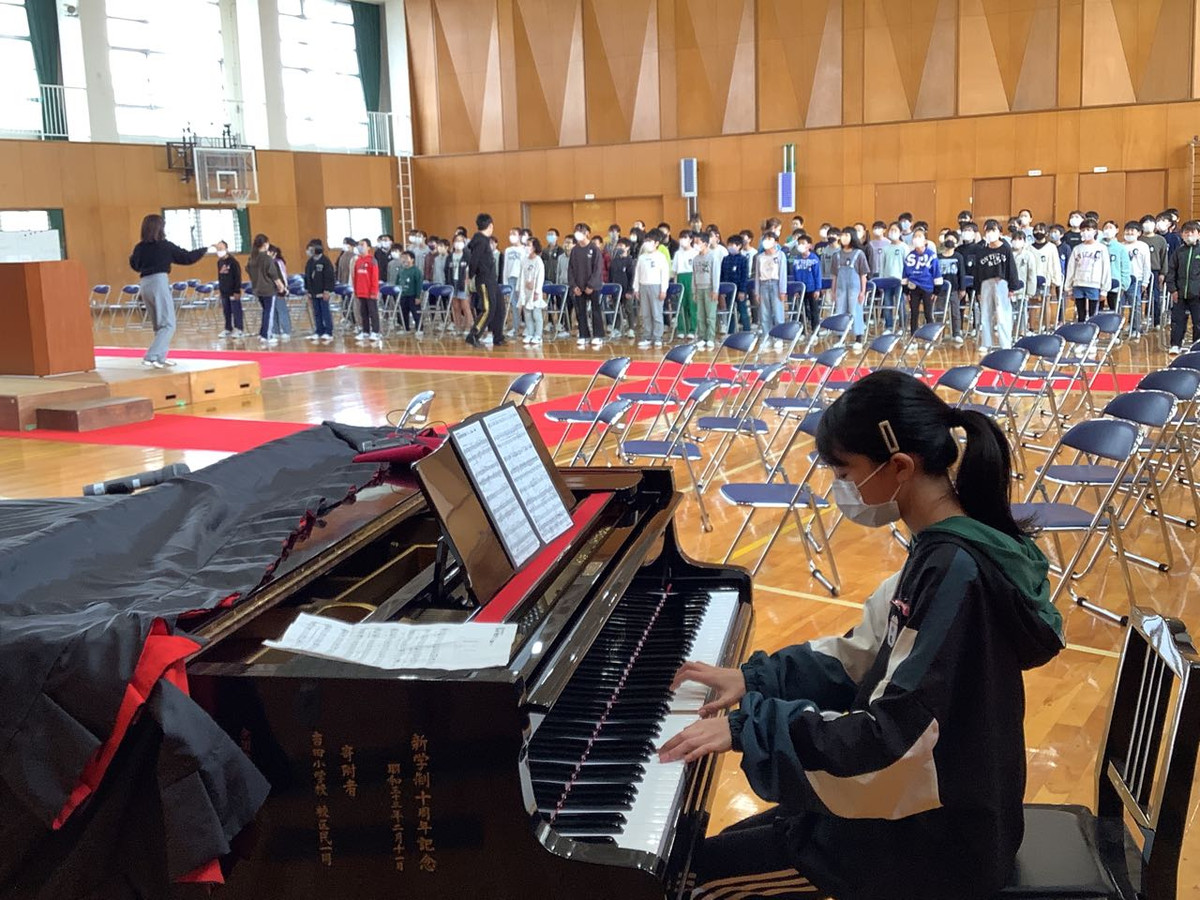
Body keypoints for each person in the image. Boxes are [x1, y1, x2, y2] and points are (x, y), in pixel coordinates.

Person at [662, 369, 1063, 900]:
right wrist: (754, 680)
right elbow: (863, 657)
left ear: (899, 467)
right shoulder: (944, 548)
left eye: (844, 471)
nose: (840, 488)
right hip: (918, 811)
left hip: (935, 844)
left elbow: (894, 744)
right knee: (691, 856)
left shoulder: (955, 570)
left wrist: (748, 730)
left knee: (693, 885)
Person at [128, 213, 209, 367]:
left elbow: (134, 264)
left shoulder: (139, 247)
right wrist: (204, 249)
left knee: (159, 325)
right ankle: (151, 356)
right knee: (168, 324)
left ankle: (160, 357)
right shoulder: (164, 245)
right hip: (158, 282)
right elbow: (187, 257)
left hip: (144, 284)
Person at [975, 220, 1019, 351]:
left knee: (1003, 315)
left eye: (993, 230)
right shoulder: (981, 251)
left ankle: (1005, 344)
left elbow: (1012, 268)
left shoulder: (1006, 249)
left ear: (1000, 232)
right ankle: (986, 343)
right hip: (985, 283)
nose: (990, 233)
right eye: (987, 231)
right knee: (985, 314)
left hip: (1001, 283)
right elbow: (977, 272)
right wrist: (978, 290)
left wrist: (1012, 287)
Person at [466, 213, 504, 347]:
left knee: (500, 307)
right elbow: (474, 260)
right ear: (491, 225)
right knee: (488, 309)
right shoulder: (481, 241)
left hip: (491, 279)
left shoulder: (484, 240)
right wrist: (470, 276)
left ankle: (498, 336)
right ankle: (474, 334)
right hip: (484, 279)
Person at [1063, 219, 1110, 323]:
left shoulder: (1101, 248)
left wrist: (1104, 290)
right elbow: (1071, 268)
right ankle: (1081, 331)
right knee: (1081, 314)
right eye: (1083, 230)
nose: (1085, 232)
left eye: (1088, 229)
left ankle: (1092, 331)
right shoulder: (1077, 249)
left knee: (1093, 314)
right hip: (1078, 284)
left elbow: (1106, 269)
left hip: (1094, 284)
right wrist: (1069, 288)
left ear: (1095, 231)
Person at [832, 227, 870, 349]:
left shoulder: (859, 254)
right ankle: (840, 338)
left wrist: (863, 292)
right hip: (840, 288)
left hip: (855, 289)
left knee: (855, 311)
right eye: (842, 235)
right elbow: (834, 276)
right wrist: (833, 291)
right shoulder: (836, 255)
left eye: (847, 235)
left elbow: (863, 275)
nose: (844, 238)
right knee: (840, 311)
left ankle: (858, 338)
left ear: (852, 237)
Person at [568, 222, 605, 348]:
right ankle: (584, 335)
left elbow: (597, 269)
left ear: (587, 233)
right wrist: (574, 286)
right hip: (578, 287)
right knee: (581, 311)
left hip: (593, 287)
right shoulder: (574, 250)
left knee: (595, 311)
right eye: (576, 231)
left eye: (581, 231)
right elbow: (571, 270)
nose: (578, 234)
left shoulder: (594, 249)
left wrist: (591, 285)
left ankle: (598, 335)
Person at [246, 233, 286, 347]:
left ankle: (262, 332)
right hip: (268, 289)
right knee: (269, 312)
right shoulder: (266, 258)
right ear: (265, 244)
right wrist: (281, 287)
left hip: (257, 289)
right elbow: (273, 274)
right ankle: (267, 335)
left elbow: (249, 271)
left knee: (265, 311)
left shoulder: (252, 258)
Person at [1167, 220, 1200, 354]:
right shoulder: (1178, 252)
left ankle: (1196, 347)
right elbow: (1171, 271)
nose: (1189, 235)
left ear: (1198, 234)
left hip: (1197, 295)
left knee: (1198, 322)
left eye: (1192, 232)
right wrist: (1173, 290)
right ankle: (1175, 344)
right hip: (1179, 294)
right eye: (1186, 232)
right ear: (1182, 235)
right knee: (1177, 321)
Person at [901, 228, 941, 334]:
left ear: (925, 241)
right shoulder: (910, 256)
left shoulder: (931, 255)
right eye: (915, 237)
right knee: (914, 312)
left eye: (919, 236)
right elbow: (905, 273)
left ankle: (930, 335)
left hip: (927, 288)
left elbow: (936, 272)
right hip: (913, 287)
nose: (916, 239)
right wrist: (905, 290)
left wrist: (936, 290)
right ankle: (913, 335)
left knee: (928, 312)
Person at [633, 230, 669, 348]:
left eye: (650, 241)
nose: (647, 243)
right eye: (646, 241)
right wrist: (636, 288)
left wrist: (663, 289)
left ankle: (658, 337)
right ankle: (647, 336)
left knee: (656, 313)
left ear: (656, 243)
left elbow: (665, 274)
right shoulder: (642, 257)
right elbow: (637, 274)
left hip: (656, 286)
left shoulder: (661, 257)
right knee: (645, 313)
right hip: (643, 286)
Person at [755, 232, 787, 343]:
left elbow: (783, 274)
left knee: (778, 313)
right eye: (765, 239)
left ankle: (779, 338)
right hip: (763, 285)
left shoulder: (780, 255)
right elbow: (757, 276)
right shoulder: (760, 257)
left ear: (776, 242)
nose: (767, 241)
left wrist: (782, 290)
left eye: (770, 239)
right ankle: (766, 337)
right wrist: (757, 292)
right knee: (764, 314)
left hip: (776, 284)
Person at [1123, 221, 1151, 338]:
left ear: (1139, 233)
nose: (1129, 233)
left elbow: (1146, 265)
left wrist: (1145, 281)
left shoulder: (1143, 246)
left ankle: (1136, 328)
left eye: (1132, 230)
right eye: (1127, 230)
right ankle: (1117, 329)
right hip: (1122, 280)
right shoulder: (1121, 246)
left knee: (1136, 305)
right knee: (1119, 305)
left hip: (1136, 280)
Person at [303, 239, 335, 343]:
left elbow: (329, 277)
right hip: (313, 292)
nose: (309, 251)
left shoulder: (325, 261)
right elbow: (307, 277)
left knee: (325, 312)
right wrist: (307, 291)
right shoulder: (310, 262)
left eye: (311, 249)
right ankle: (319, 330)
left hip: (323, 292)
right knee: (316, 312)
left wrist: (327, 290)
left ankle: (328, 331)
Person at [876, 223, 906, 334]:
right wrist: (881, 281)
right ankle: (889, 326)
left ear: (900, 232)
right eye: (891, 230)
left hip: (899, 281)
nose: (892, 232)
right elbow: (882, 266)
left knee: (900, 304)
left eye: (895, 230)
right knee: (887, 304)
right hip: (887, 281)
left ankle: (902, 327)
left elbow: (907, 265)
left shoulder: (904, 247)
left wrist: (906, 279)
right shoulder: (886, 248)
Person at [937, 235, 966, 344]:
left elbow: (962, 273)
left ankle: (956, 333)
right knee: (940, 312)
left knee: (955, 312)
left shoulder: (958, 256)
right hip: (940, 290)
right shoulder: (938, 257)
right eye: (948, 239)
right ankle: (940, 334)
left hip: (954, 289)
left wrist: (962, 288)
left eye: (953, 239)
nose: (950, 241)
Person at [691, 236, 718, 349]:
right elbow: (694, 275)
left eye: (698, 242)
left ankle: (711, 337)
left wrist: (715, 290)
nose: (696, 245)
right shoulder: (695, 259)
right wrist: (694, 291)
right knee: (700, 315)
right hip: (699, 289)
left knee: (710, 315)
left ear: (705, 244)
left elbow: (715, 274)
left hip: (709, 288)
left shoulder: (713, 257)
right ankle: (702, 337)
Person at [792, 234, 823, 333]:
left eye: (803, 243)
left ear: (809, 245)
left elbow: (817, 275)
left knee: (814, 311)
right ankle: (802, 332)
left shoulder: (814, 259)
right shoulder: (796, 259)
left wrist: (817, 289)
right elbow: (794, 275)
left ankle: (815, 331)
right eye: (799, 243)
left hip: (812, 289)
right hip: (801, 290)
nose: (800, 245)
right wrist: (795, 289)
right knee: (801, 311)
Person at [519, 236, 546, 345]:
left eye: (528, 245)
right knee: (527, 314)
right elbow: (521, 276)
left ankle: (538, 335)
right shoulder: (524, 260)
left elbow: (540, 277)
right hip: (526, 291)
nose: (526, 247)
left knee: (536, 314)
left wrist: (537, 291)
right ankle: (530, 333)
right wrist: (521, 290)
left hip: (535, 292)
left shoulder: (538, 261)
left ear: (534, 247)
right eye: (526, 245)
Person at [1009, 231, 1038, 333]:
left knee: (1022, 311)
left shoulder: (1028, 255)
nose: (1017, 241)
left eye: (1019, 239)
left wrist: (1030, 291)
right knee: (1009, 311)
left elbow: (1031, 274)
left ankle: (1022, 330)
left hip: (1023, 290)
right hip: (1009, 290)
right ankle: (1010, 331)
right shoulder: (1008, 254)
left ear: (1024, 241)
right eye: (1014, 239)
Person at [721, 234, 751, 334]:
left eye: (732, 245)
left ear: (739, 246)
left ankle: (747, 332)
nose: (730, 247)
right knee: (730, 311)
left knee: (742, 310)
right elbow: (722, 275)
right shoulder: (725, 259)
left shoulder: (743, 259)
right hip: (728, 291)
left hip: (739, 290)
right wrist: (722, 290)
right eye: (729, 244)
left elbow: (744, 276)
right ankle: (730, 332)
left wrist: (742, 291)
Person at [1100, 220, 1131, 313]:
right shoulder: (1098, 245)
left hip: (1115, 284)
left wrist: (1124, 285)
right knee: (1097, 310)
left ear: (1117, 230)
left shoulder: (1121, 248)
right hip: (1099, 283)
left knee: (1115, 310)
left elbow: (1125, 267)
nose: (1108, 230)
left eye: (1111, 228)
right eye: (1106, 228)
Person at [214, 240, 243, 339]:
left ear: (226, 249)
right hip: (224, 291)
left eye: (221, 248)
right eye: (218, 249)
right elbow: (220, 277)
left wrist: (237, 291)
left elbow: (237, 277)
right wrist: (220, 290)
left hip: (233, 291)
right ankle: (228, 328)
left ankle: (239, 328)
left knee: (236, 310)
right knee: (226, 311)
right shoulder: (219, 262)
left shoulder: (233, 262)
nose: (219, 250)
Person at [609, 237, 637, 338]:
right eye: (618, 245)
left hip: (626, 290)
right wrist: (610, 290)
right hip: (615, 291)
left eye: (621, 246)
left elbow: (632, 277)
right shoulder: (614, 261)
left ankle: (631, 329)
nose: (619, 247)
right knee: (616, 309)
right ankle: (617, 329)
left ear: (627, 247)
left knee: (628, 309)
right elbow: (610, 276)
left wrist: (630, 290)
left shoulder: (630, 261)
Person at [394, 250, 424, 335]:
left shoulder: (416, 271)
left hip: (412, 295)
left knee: (416, 313)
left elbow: (419, 284)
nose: (404, 260)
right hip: (403, 295)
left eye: (406, 258)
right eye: (402, 258)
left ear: (412, 259)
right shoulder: (401, 270)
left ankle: (419, 329)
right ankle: (405, 328)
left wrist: (418, 296)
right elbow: (397, 282)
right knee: (403, 312)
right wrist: (397, 293)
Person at [268, 245, 293, 341]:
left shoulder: (278, 263)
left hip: (279, 290)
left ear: (273, 253)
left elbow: (283, 276)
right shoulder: (267, 263)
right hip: (270, 291)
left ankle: (287, 331)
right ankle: (275, 331)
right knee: (273, 312)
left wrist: (284, 289)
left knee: (282, 311)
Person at [503, 227, 525, 335]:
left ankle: (526, 327)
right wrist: (505, 282)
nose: (512, 236)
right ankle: (515, 327)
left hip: (521, 278)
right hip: (510, 278)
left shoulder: (524, 249)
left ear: (520, 236)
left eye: (514, 234)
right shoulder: (508, 250)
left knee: (522, 304)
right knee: (514, 304)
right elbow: (505, 266)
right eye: (510, 234)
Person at [447, 235, 471, 334]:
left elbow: (471, 270)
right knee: (455, 306)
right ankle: (458, 327)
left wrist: (467, 281)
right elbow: (446, 270)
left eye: (461, 241)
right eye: (457, 240)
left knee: (465, 306)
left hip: (463, 282)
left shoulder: (467, 256)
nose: (458, 243)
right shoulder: (450, 256)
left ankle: (468, 327)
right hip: (453, 282)